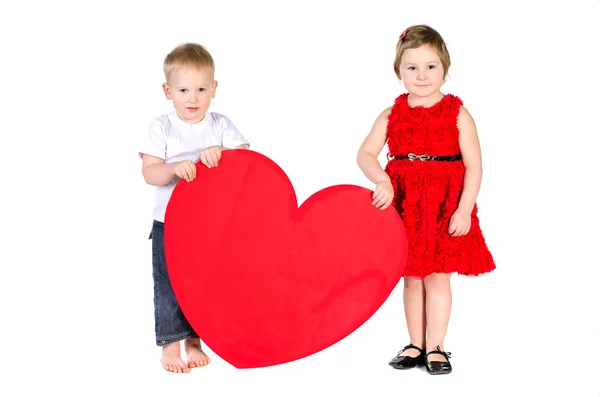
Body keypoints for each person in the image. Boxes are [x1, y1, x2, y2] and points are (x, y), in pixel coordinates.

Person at [356, 25, 495, 375]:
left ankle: (437, 347)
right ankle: (415, 342)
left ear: (445, 68)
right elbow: (366, 154)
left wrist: (464, 209)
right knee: (411, 277)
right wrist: (382, 179)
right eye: (412, 67)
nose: (421, 75)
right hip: (405, 205)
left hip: (443, 205)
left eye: (430, 66)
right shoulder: (391, 114)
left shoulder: (457, 114)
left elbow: (475, 166)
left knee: (437, 277)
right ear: (398, 71)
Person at [139, 43, 250, 373]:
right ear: (167, 91)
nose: (193, 98)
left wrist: (221, 153)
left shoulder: (219, 125)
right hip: (169, 223)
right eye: (184, 89)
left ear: (213, 89)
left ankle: (195, 340)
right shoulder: (162, 127)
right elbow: (149, 172)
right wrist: (174, 168)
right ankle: (171, 345)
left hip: (211, 224)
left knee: (205, 283)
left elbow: (245, 161)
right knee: (169, 283)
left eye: (201, 89)